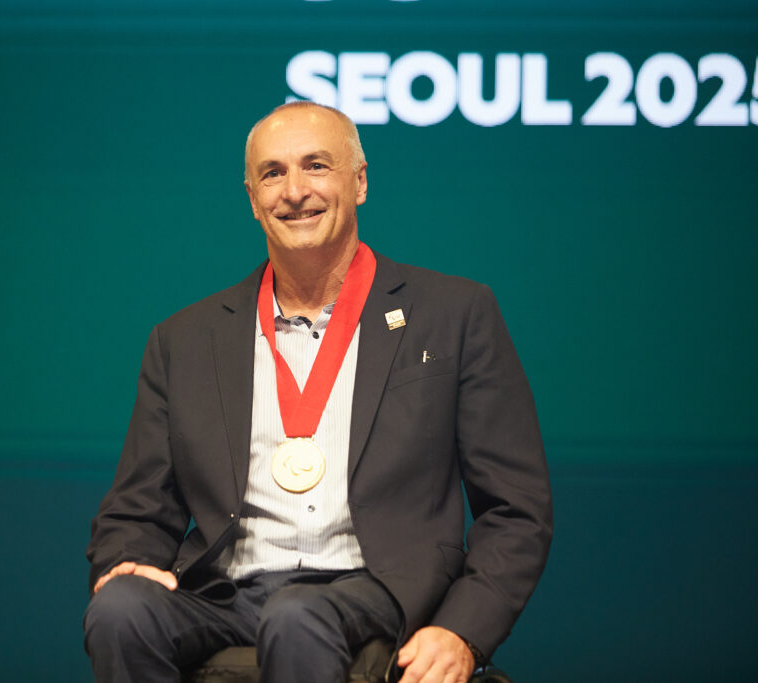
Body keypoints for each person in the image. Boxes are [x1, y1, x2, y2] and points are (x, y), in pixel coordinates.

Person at [84, 101, 552, 683]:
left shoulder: (454, 314)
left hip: (375, 586)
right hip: (227, 592)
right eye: (273, 174)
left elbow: (516, 509)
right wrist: (124, 563)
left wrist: (463, 631)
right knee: (121, 611)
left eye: (316, 166)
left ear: (359, 182)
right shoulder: (184, 339)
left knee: (297, 615)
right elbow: (136, 507)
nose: (294, 191)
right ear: (253, 199)